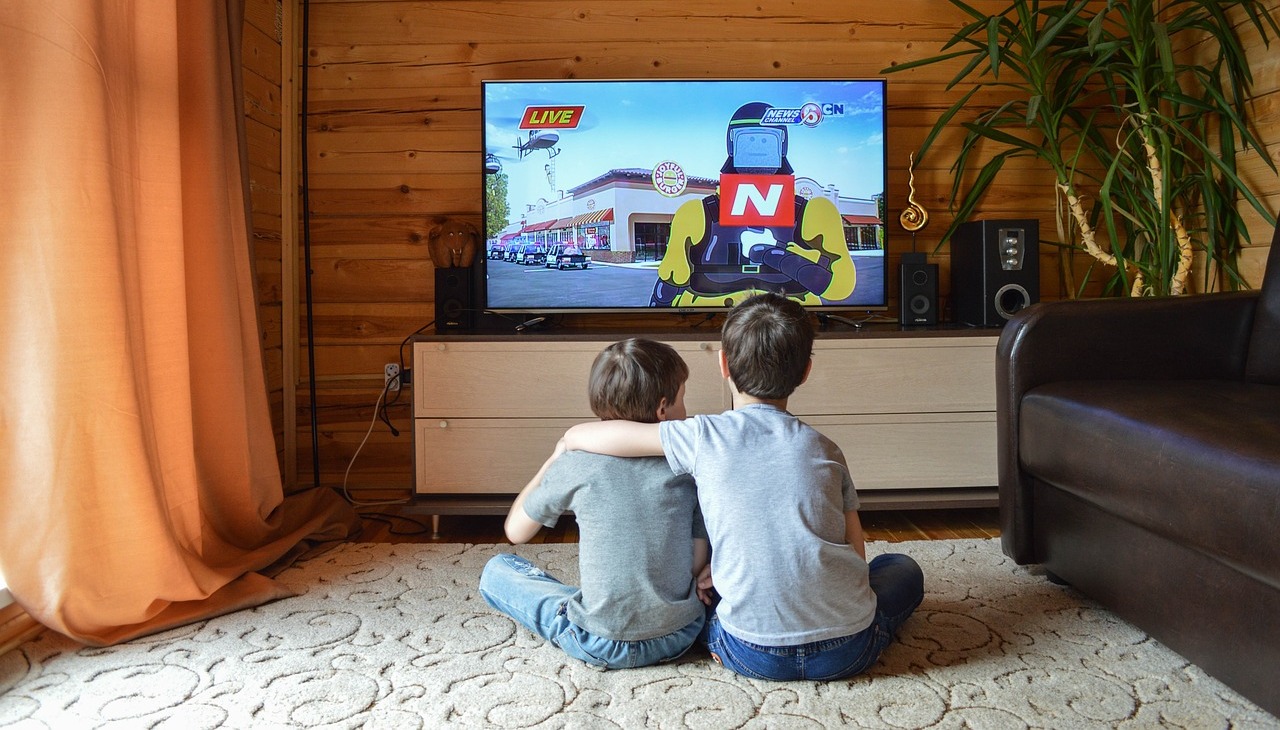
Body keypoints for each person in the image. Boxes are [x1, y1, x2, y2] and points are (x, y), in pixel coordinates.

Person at [562, 292, 924, 681]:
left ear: (723, 364)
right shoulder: (827, 449)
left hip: (750, 653)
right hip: (847, 650)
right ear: (805, 371)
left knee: (702, 602)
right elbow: (855, 550)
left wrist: (569, 437)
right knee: (901, 568)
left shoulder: (702, 436)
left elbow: (613, 436)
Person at [478, 338, 709, 669]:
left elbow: (516, 531)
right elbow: (694, 563)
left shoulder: (577, 463)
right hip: (681, 632)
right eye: (683, 400)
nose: (685, 410)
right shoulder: (688, 468)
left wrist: (556, 457)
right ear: (662, 408)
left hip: (599, 641)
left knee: (498, 569)